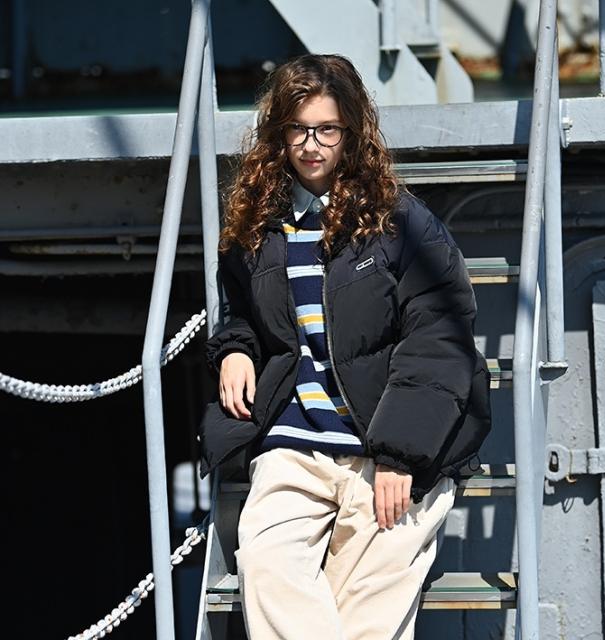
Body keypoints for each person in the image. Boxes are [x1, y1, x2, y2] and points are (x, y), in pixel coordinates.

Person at [198, 53, 491, 640]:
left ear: (351, 132)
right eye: (298, 129)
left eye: (327, 129)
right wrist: (233, 350)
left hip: (390, 442)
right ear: (278, 131)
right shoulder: (257, 223)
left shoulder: (400, 223)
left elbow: (440, 336)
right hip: (295, 447)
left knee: (369, 607)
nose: (311, 145)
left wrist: (400, 453)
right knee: (266, 563)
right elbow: (244, 313)